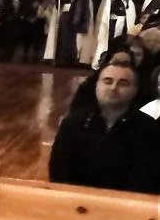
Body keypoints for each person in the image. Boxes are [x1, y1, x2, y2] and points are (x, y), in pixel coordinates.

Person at [49, 58, 160, 193]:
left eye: (123, 83)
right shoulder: (73, 124)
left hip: (128, 206)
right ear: (97, 86)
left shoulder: (148, 129)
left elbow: (148, 178)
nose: (113, 88)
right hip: (75, 202)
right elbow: (59, 172)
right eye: (108, 81)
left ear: (135, 90)